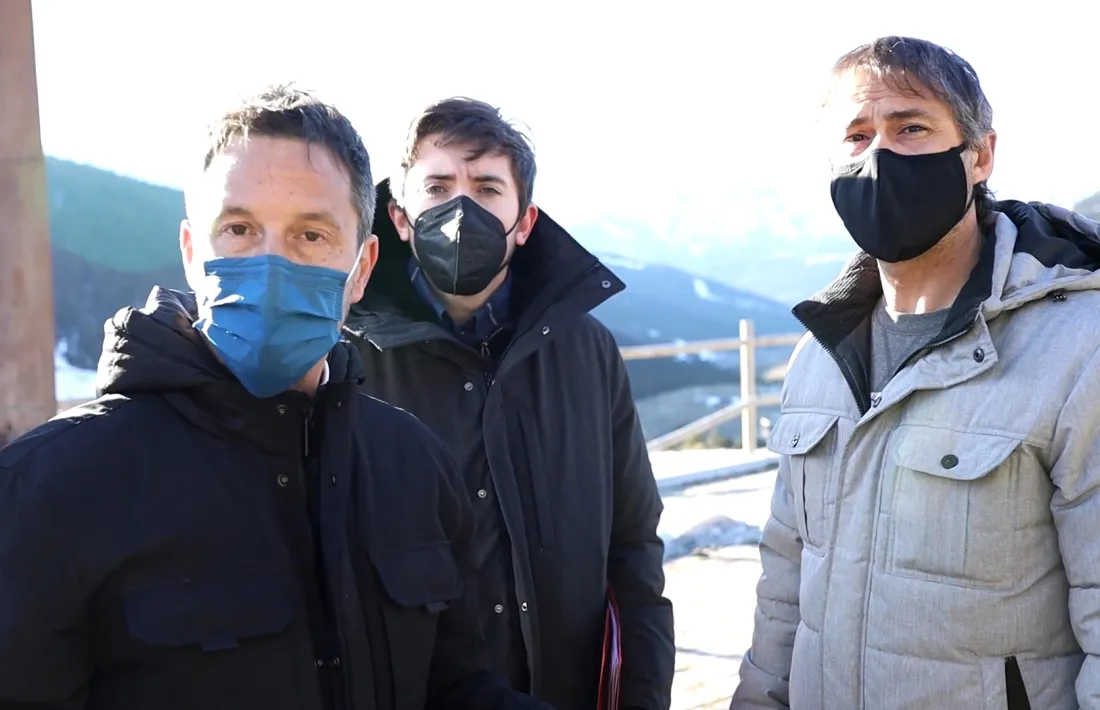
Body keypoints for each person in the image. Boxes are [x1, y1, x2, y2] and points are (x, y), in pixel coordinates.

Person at [0, 84, 552, 710]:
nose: (270, 265)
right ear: (190, 252)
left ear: (363, 267)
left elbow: (452, 688)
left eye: (311, 236)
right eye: (238, 229)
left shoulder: (414, 465)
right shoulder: (51, 489)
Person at [731, 35, 1100, 710]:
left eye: (911, 127)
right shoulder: (819, 355)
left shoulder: (1080, 349)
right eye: (857, 135)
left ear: (980, 155)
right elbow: (787, 576)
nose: (880, 157)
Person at [343, 97, 675, 710]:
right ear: (399, 217)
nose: (461, 209)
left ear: (524, 222)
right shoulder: (348, 357)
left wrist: (643, 696)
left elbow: (633, 548)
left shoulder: (587, 351)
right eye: (437, 186)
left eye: (487, 187)